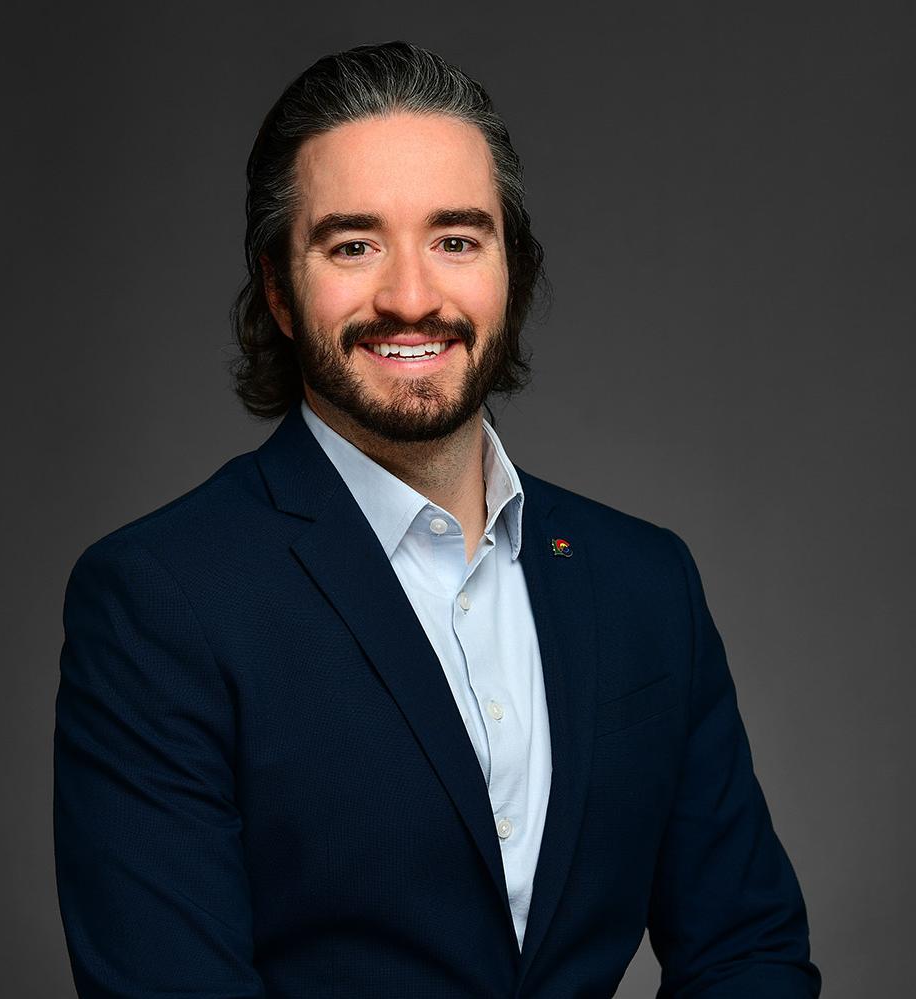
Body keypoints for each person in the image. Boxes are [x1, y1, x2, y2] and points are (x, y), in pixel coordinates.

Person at [54, 41, 821, 998]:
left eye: (455, 239)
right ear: (280, 290)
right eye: (353, 244)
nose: (411, 297)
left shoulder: (645, 580)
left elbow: (746, 952)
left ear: (512, 269)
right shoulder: (159, 599)